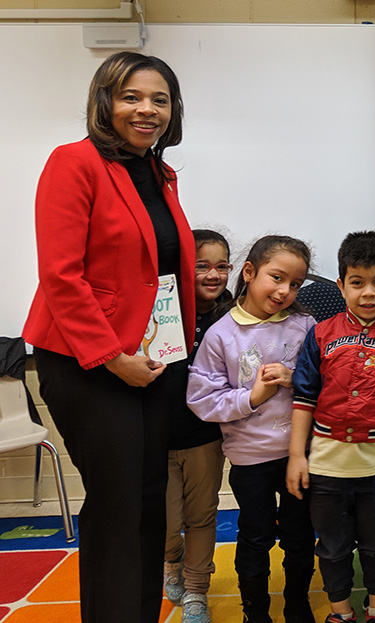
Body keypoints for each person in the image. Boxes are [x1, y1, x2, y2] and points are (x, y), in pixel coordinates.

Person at [23, 51, 194, 623]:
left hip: (148, 361)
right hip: (87, 361)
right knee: (119, 503)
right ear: (105, 102)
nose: (146, 110)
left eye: (159, 100)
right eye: (131, 97)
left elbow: (157, 274)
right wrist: (113, 358)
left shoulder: (158, 174)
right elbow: (62, 277)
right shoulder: (73, 163)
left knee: (148, 501)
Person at [287, 231, 375, 623]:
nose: (368, 293)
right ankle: (340, 612)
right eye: (357, 283)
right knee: (332, 546)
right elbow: (304, 396)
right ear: (341, 284)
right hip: (327, 463)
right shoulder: (321, 335)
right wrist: (297, 455)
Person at [187, 235, 317, 623]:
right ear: (249, 272)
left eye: (295, 284)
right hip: (250, 461)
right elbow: (202, 400)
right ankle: (255, 613)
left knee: (299, 539)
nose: (285, 291)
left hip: (298, 456)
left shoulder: (305, 324)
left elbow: (325, 381)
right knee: (255, 539)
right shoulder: (221, 334)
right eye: (277, 278)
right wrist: (252, 396)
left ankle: (297, 604)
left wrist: (295, 378)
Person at [163, 229, 234, 623]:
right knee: (167, 520)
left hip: (205, 439)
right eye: (201, 265)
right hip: (157, 436)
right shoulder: (159, 311)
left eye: (221, 266)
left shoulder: (230, 319)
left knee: (202, 515)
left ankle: (195, 590)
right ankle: (171, 559)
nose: (212, 274)